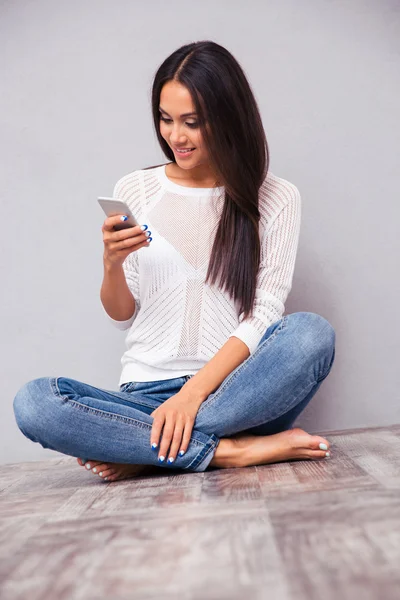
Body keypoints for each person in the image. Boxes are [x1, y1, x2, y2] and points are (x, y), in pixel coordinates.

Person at [13, 40, 336, 483]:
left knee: (312, 334)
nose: (175, 137)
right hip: (144, 398)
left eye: (192, 122)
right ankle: (229, 453)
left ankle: (146, 451)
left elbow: (263, 315)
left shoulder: (276, 197)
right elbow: (122, 315)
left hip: (234, 395)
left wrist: (192, 397)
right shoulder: (138, 188)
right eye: (166, 119)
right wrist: (111, 263)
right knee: (35, 402)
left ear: (227, 118)